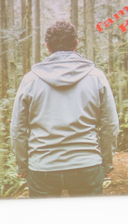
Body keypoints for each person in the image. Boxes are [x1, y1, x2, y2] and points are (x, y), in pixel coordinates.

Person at [10, 20, 119, 198]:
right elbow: (110, 127)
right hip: (86, 164)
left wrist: (22, 165)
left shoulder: (30, 80)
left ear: (47, 47)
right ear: (76, 44)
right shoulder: (96, 78)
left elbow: (18, 129)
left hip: (43, 167)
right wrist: (106, 163)